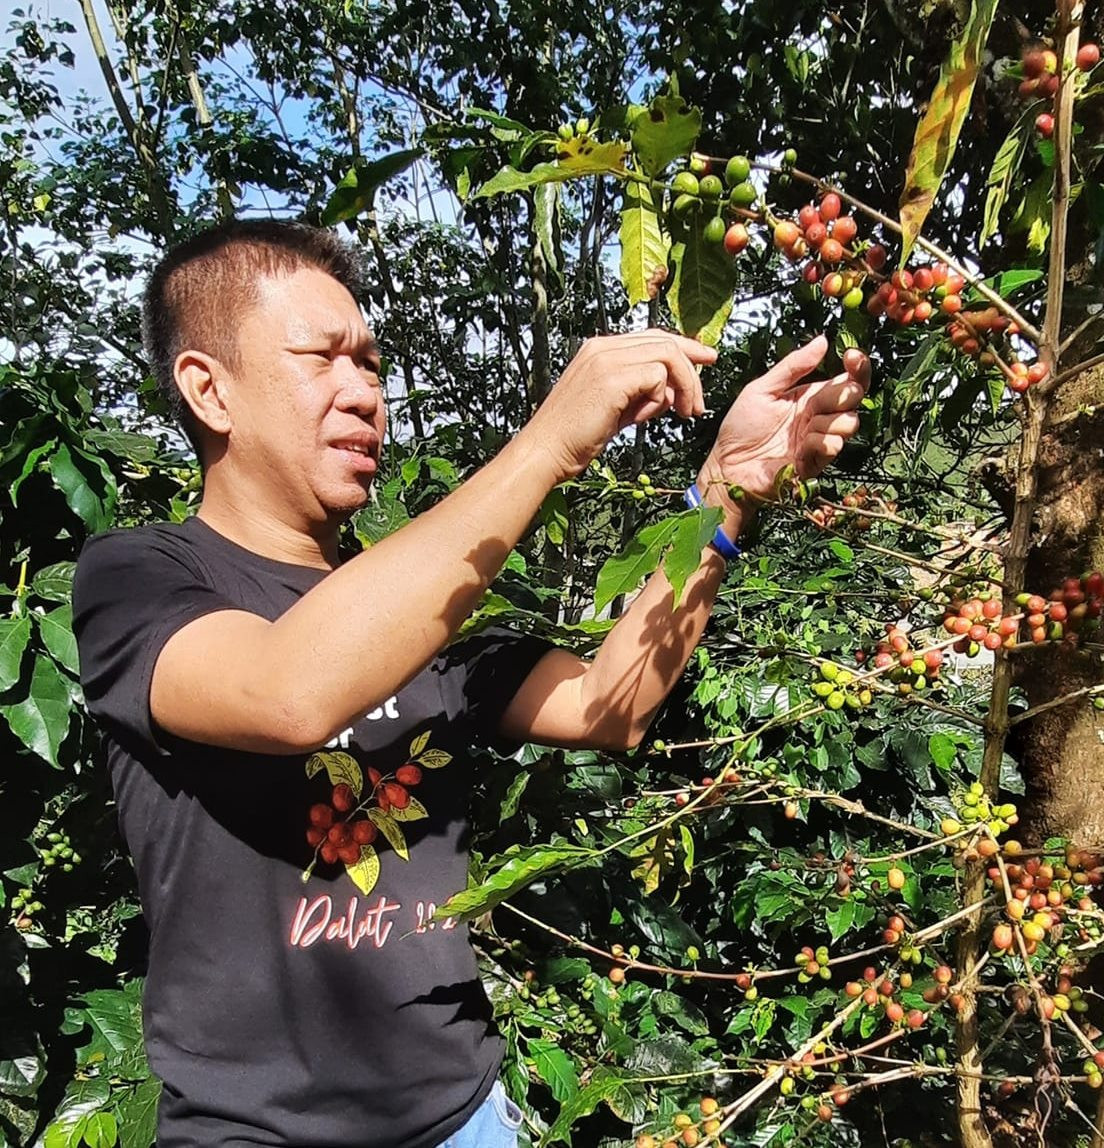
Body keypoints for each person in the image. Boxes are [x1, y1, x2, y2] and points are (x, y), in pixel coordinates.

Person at [73, 218, 867, 1148]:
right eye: (322, 358)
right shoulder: (137, 577)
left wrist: (726, 492)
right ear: (209, 390)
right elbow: (287, 692)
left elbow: (612, 705)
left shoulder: (421, 607)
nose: (364, 392)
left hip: (467, 1116)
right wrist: (547, 443)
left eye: (370, 363)